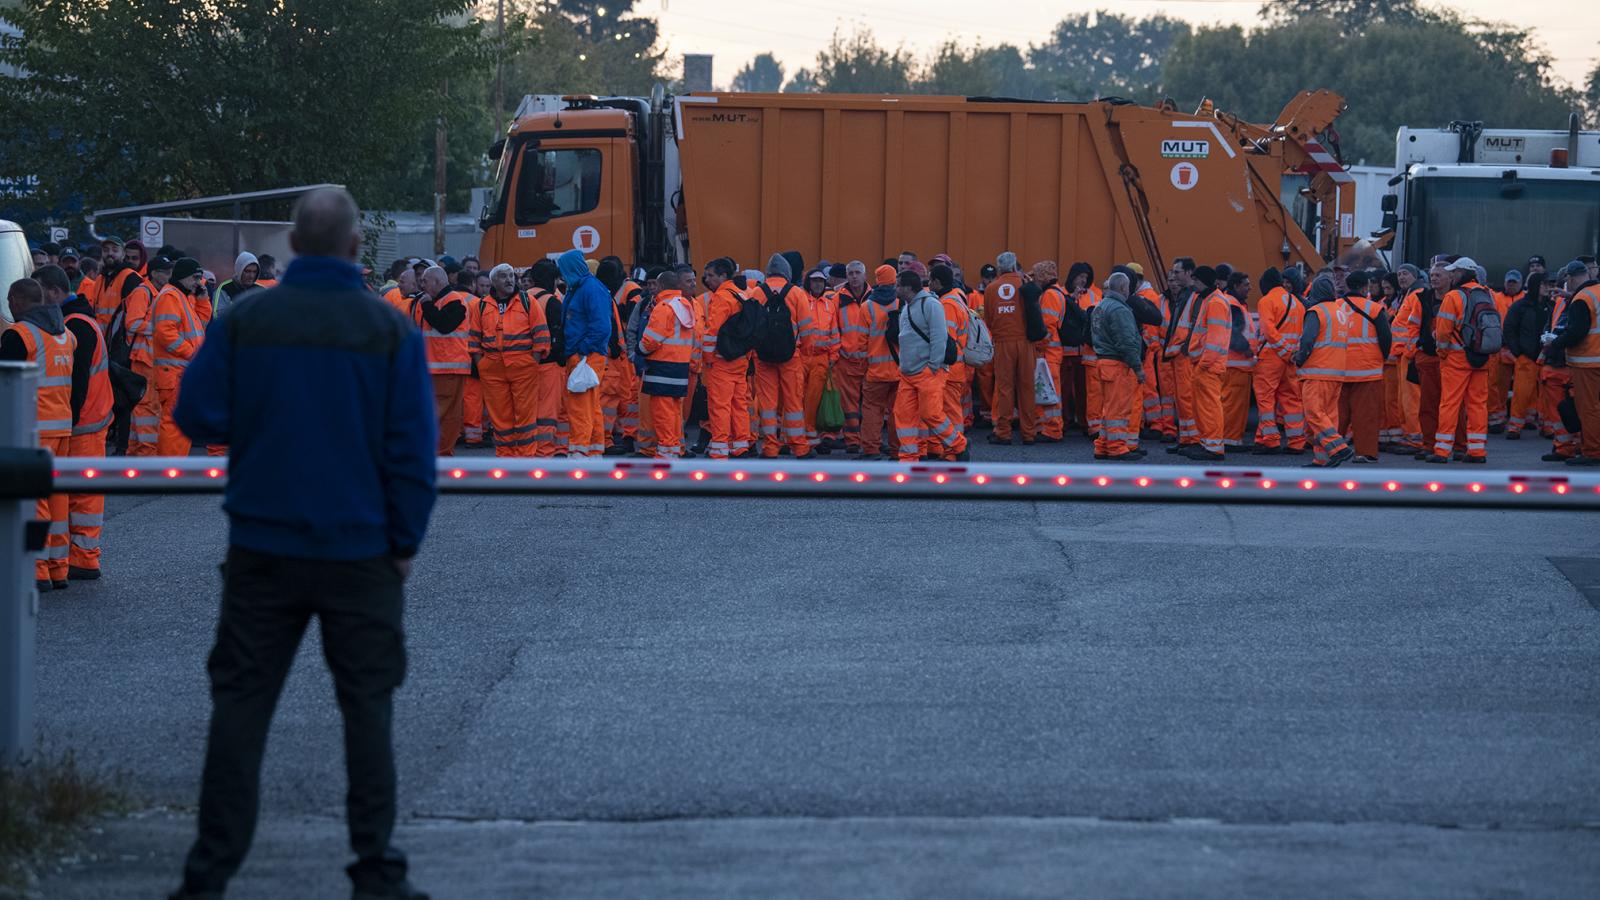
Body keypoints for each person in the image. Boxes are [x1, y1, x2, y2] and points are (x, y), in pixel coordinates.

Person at [168, 188, 434, 900]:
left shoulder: (247, 319)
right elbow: (412, 450)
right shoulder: (388, 330)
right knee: (367, 712)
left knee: (241, 709)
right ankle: (375, 871)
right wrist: (403, 541)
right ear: (354, 248)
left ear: (292, 245)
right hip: (362, 553)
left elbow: (195, 410)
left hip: (263, 547)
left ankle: (207, 876)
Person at [37, 265, 113, 580]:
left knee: (81, 494)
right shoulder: (81, 320)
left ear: (54, 291)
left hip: (83, 423)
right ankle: (79, 557)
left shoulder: (75, 326)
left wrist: (64, 421)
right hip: (91, 420)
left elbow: (76, 384)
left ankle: (83, 558)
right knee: (81, 492)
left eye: (39, 292)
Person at [1, 277, 75, 591]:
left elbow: (7, 382)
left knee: (33, 499)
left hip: (32, 426)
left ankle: (37, 568)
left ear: (18, 300)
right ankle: (59, 568)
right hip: (62, 424)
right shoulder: (66, 334)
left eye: (8, 299)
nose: (7, 305)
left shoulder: (20, 335)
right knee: (56, 497)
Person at [470, 263, 550, 456]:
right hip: (492, 368)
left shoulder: (528, 301)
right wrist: (481, 364)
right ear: (493, 281)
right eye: (504, 276)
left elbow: (541, 335)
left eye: (511, 276)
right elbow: (473, 340)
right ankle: (505, 457)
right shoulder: (481, 305)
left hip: (523, 366)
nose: (509, 280)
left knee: (525, 416)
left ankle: (526, 457)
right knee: (500, 417)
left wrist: (533, 361)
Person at [892, 268, 967, 462]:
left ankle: (958, 445)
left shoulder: (930, 304)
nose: (895, 288)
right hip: (908, 373)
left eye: (898, 285)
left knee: (931, 414)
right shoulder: (907, 307)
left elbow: (939, 336)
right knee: (903, 415)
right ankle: (908, 457)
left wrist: (933, 365)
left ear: (908, 287)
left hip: (927, 371)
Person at [752, 252, 816, 459]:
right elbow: (807, 329)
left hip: (762, 357)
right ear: (788, 273)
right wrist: (806, 353)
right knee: (793, 402)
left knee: (768, 404)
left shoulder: (756, 293)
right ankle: (800, 447)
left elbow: (749, 327)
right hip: (791, 356)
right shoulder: (796, 293)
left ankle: (770, 448)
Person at [1427, 257, 1490, 464]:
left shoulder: (1454, 296)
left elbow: (1443, 331)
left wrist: (1442, 352)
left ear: (1462, 273)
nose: (1451, 275)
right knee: (1477, 404)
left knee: (1450, 404)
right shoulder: (1487, 294)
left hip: (1456, 359)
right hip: (1481, 357)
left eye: (1454, 272)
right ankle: (1477, 451)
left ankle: (1442, 451)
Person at [638, 267, 701, 458]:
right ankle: (672, 449)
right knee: (674, 413)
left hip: (661, 369)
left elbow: (650, 341)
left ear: (662, 285)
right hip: (680, 369)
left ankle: (665, 454)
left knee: (663, 414)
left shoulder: (663, 308)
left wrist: (639, 350)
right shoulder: (685, 305)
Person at [1294, 275, 1356, 468]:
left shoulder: (1316, 311)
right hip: (1336, 373)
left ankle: (1338, 449)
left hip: (1317, 371)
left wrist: (1299, 358)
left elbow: (1307, 341)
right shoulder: (1340, 312)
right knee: (1328, 417)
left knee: (1314, 414)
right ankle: (1323, 459)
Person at [411, 266, 471, 455]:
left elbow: (444, 325)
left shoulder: (454, 301)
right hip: (438, 369)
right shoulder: (437, 300)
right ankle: (439, 453)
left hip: (447, 369)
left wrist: (427, 305)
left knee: (444, 415)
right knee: (443, 414)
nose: (422, 285)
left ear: (437, 282)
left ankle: (441, 454)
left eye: (425, 281)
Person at [1545, 259, 1600, 465]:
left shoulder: (1582, 298)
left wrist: (1556, 343)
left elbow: (1577, 332)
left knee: (1588, 408)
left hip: (1588, 362)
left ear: (1570, 278)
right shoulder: (1596, 292)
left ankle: (1593, 452)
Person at [559, 249, 612, 457]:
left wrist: (582, 350)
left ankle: (579, 452)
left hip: (585, 356)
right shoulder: (583, 287)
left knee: (580, 406)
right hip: (585, 355)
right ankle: (593, 451)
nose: (562, 275)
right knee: (590, 405)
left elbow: (602, 327)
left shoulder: (588, 288)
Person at [152, 258, 207, 456]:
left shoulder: (181, 296)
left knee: (179, 424)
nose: (198, 282)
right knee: (174, 424)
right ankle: (170, 473)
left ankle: (173, 472)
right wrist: (191, 353)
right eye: (195, 277)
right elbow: (165, 333)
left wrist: (202, 299)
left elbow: (201, 322)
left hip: (179, 372)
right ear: (183, 276)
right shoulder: (171, 297)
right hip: (174, 373)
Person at [1334, 270, 1391, 463]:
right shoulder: (1374, 309)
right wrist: (1381, 359)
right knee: (1366, 415)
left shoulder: (1334, 307)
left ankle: (1332, 449)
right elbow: (1385, 339)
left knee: (1337, 414)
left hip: (1338, 369)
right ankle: (1364, 452)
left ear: (1348, 286)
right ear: (1365, 287)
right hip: (1368, 371)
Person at [700, 257, 753, 459]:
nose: (707, 279)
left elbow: (712, 332)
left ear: (723, 276)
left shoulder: (721, 297)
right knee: (739, 404)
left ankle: (720, 448)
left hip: (721, 361)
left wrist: (708, 358)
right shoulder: (742, 294)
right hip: (740, 359)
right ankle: (740, 446)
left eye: (711, 275)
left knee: (720, 405)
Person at [983, 251, 1038, 445]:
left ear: (999, 269)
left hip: (1003, 342)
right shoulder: (1025, 284)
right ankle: (1029, 433)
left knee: (1005, 388)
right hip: (1025, 342)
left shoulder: (991, 288)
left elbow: (988, 319)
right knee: (1027, 387)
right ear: (1015, 266)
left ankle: (1003, 432)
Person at [1090, 271, 1146, 460]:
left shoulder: (1101, 306)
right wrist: (1137, 367)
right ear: (1124, 288)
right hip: (1117, 365)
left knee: (1108, 409)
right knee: (1119, 410)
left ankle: (1103, 445)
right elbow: (1126, 342)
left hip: (1103, 362)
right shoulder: (1119, 310)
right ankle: (1116, 448)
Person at [1252, 267, 1305, 454]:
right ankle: (1297, 442)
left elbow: (1268, 330)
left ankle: (1271, 441)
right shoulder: (1297, 303)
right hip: (1290, 360)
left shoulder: (1266, 301)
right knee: (1292, 398)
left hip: (1271, 357)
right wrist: (1291, 353)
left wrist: (1284, 350)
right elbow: (1300, 333)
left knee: (1266, 399)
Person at [1182, 266, 1229, 460]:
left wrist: (1204, 364)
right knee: (1203, 407)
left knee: (1209, 406)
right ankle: (1207, 443)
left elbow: (1216, 339)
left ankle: (1213, 447)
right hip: (1204, 363)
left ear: (1204, 281)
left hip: (1207, 365)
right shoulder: (1211, 300)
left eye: (1196, 281)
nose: (1193, 284)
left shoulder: (1215, 302)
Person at [523, 260, 568, 457]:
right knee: (547, 413)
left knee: (528, 410)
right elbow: (559, 335)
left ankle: (528, 449)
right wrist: (561, 358)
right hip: (548, 364)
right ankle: (545, 452)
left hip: (523, 363)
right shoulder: (551, 301)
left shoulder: (522, 298)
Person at [931, 264, 973, 460]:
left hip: (950, 367)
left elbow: (945, 340)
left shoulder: (947, 305)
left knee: (950, 412)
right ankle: (953, 448)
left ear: (938, 282)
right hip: (957, 366)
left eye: (931, 281)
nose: (929, 284)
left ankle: (955, 450)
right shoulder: (956, 299)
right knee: (952, 410)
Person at [859, 265, 901, 459]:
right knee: (897, 412)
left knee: (872, 411)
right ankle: (897, 450)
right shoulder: (902, 302)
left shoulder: (867, 306)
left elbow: (861, 342)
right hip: (901, 370)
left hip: (875, 370)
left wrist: (862, 368)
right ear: (895, 280)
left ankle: (871, 450)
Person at [800, 268, 840, 453]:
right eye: (815, 281)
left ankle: (809, 437)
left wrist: (833, 356)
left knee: (813, 399)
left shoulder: (829, 305)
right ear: (809, 282)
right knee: (796, 398)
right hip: (801, 357)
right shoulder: (800, 300)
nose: (818, 284)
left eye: (821, 281)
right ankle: (795, 437)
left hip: (821, 359)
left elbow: (834, 333)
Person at [1162, 257, 1201, 453]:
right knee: (1182, 399)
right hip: (1180, 353)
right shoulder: (1187, 295)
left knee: (1187, 398)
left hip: (1185, 354)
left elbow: (1195, 325)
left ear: (1188, 273)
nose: (1174, 276)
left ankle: (1192, 438)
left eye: (1177, 272)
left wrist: (1185, 346)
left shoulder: (1194, 296)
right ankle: (1187, 438)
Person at [833, 261, 872, 453]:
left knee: (869, 405)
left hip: (869, 360)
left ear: (865, 275)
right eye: (851, 273)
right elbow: (832, 328)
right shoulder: (837, 299)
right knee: (848, 406)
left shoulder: (874, 298)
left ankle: (868, 440)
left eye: (857, 273)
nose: (854, 276)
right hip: (846, 360)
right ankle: (852, 441)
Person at [1503, 272, 1548, 437]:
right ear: (1536, 285)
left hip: (1544, 355)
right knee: (1521, 393)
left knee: (1546, 394)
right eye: (1544, 284)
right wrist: (1518, 351)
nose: (1547, 287)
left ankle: (1546, 425)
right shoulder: (1521, 306)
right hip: (1527, 355)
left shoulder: (1548, 305)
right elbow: (1509, 328)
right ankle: (1515, 426)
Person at [1221, 271, 1258, 449]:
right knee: (1233, 405)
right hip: (1236, 365)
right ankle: (1229, 439)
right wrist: (1248, 350)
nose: (1250, 288)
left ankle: (1230, 438)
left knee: (1229, 403)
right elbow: (1233, 334)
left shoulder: (1232, 303)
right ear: (1236, 286)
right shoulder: (1234, 305)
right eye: (1246, 284)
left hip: (1233, 365)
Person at [1033, 261, 1070, 442]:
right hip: (1052, 352)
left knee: (1050, 393)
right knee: (1047, 391)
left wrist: (1038, 345)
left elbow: (1047, 327)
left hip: (1049, 352)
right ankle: (1046, 427)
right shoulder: (1057, 293)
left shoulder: (1049, 295)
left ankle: (1053, 430)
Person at [1488, 270, 1524, 434]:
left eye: (1514, 283)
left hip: (1519, 348)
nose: (1511, 285)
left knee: (1523, 386)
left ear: (1520, 283)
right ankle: (1499, 418)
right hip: (1501, 348)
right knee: (1498, 385)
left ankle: (1525, 417)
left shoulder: (1525, 298)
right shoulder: (1496, 297)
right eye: (1509, 282)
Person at [91, 235, 145, 328]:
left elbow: (134, 317)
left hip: (119, 339)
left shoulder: (131, 278)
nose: (110, 253)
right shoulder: (100, 279)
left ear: (123, 254)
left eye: (115, 250)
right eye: (105, 250)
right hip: (101, 338)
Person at [213, 252, 264, 317]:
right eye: (247, 271)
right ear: (239, 270)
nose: (251, 276)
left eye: (255, 272)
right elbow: (218, 316)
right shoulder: (225, 289)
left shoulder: (260, 290)